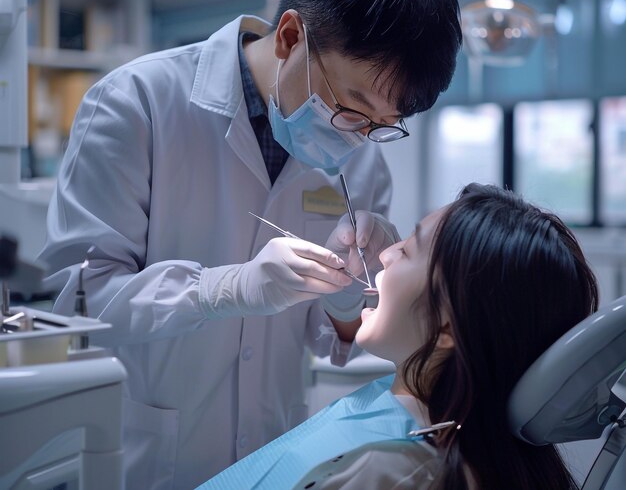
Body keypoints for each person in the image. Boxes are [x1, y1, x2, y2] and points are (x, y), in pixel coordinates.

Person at [39, 0, 462, 489]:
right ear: (290, 37)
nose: (358, 139)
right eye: (352, 106)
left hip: (276, 456)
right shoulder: (137, 103)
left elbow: (330, 334)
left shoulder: (362, 165)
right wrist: (222, 289)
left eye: (383, 126)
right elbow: (80, 303)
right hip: (146, 457)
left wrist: (345, 293)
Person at [198, 183, 599, 490]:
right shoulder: (411, 409)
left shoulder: (393, 473)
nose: (385, 255)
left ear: (446, 330)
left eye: (407, 251)